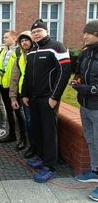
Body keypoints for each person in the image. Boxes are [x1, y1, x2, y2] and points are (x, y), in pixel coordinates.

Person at [22, 19, 71, 183]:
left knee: (49, 133)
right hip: (33, 99)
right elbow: (27, 75)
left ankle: (50, 166)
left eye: (39, 31)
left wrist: (54, 98)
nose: (36, 34)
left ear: (46, 31)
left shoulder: (57, 47)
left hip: (48, 98)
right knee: (38, 130)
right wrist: (25, 94)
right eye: (33, 32)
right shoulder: (31, 51)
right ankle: (42, 158)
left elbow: (64, 73)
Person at [72, 20, 98, 201]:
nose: (84, 36)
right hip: (85, 105)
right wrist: (77, 81)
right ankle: (95, 171)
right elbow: (80, 72)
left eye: (88, 33)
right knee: (91, 140)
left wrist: (89, 89)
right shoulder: (86, 52)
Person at [0, 30, 26, 145]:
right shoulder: (2, 51)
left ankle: (23, 138)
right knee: (9, 111)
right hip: (3, 85)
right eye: (3, 37)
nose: (4, 39)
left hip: (14, 87)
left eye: (6, 37)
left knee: (18, 112)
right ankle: (12, 134)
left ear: (14, 39)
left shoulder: (18, 51)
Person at [9, 31, 34, 153]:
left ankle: (36, 146)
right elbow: (14, 77)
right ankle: (27, 142)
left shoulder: (37, 53)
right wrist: (13, 97)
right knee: (26, 120)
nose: (24, 43)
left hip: (36, 95)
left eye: (27, 40)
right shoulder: (19, 56)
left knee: (35, 122)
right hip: (22, 94)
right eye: (22, 41)